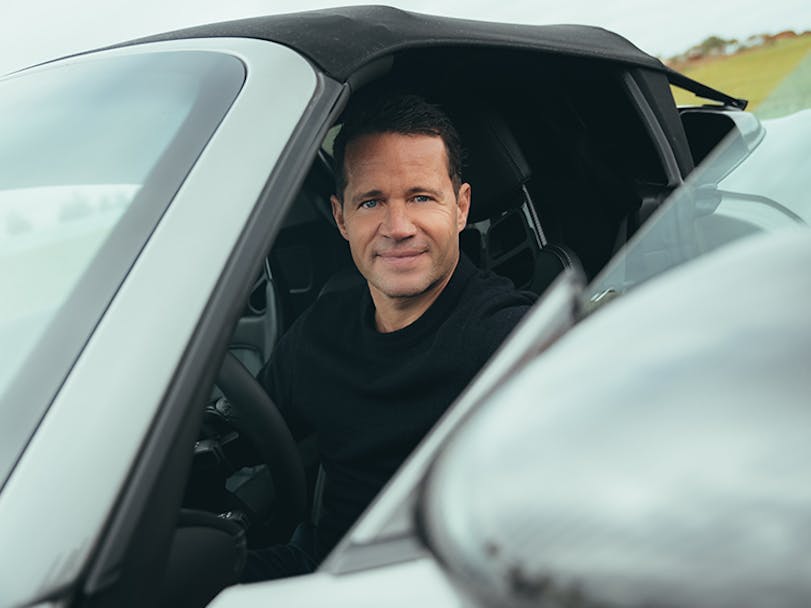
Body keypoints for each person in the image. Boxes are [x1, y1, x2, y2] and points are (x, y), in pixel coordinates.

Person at [241, 93, 536, 581]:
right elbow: (249, 434)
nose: (397, 228)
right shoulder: (323, 328)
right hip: (322, 572)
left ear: (461, 207)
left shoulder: (509, 340)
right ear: (341, 218)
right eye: (371, 201)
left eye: (421, 197)